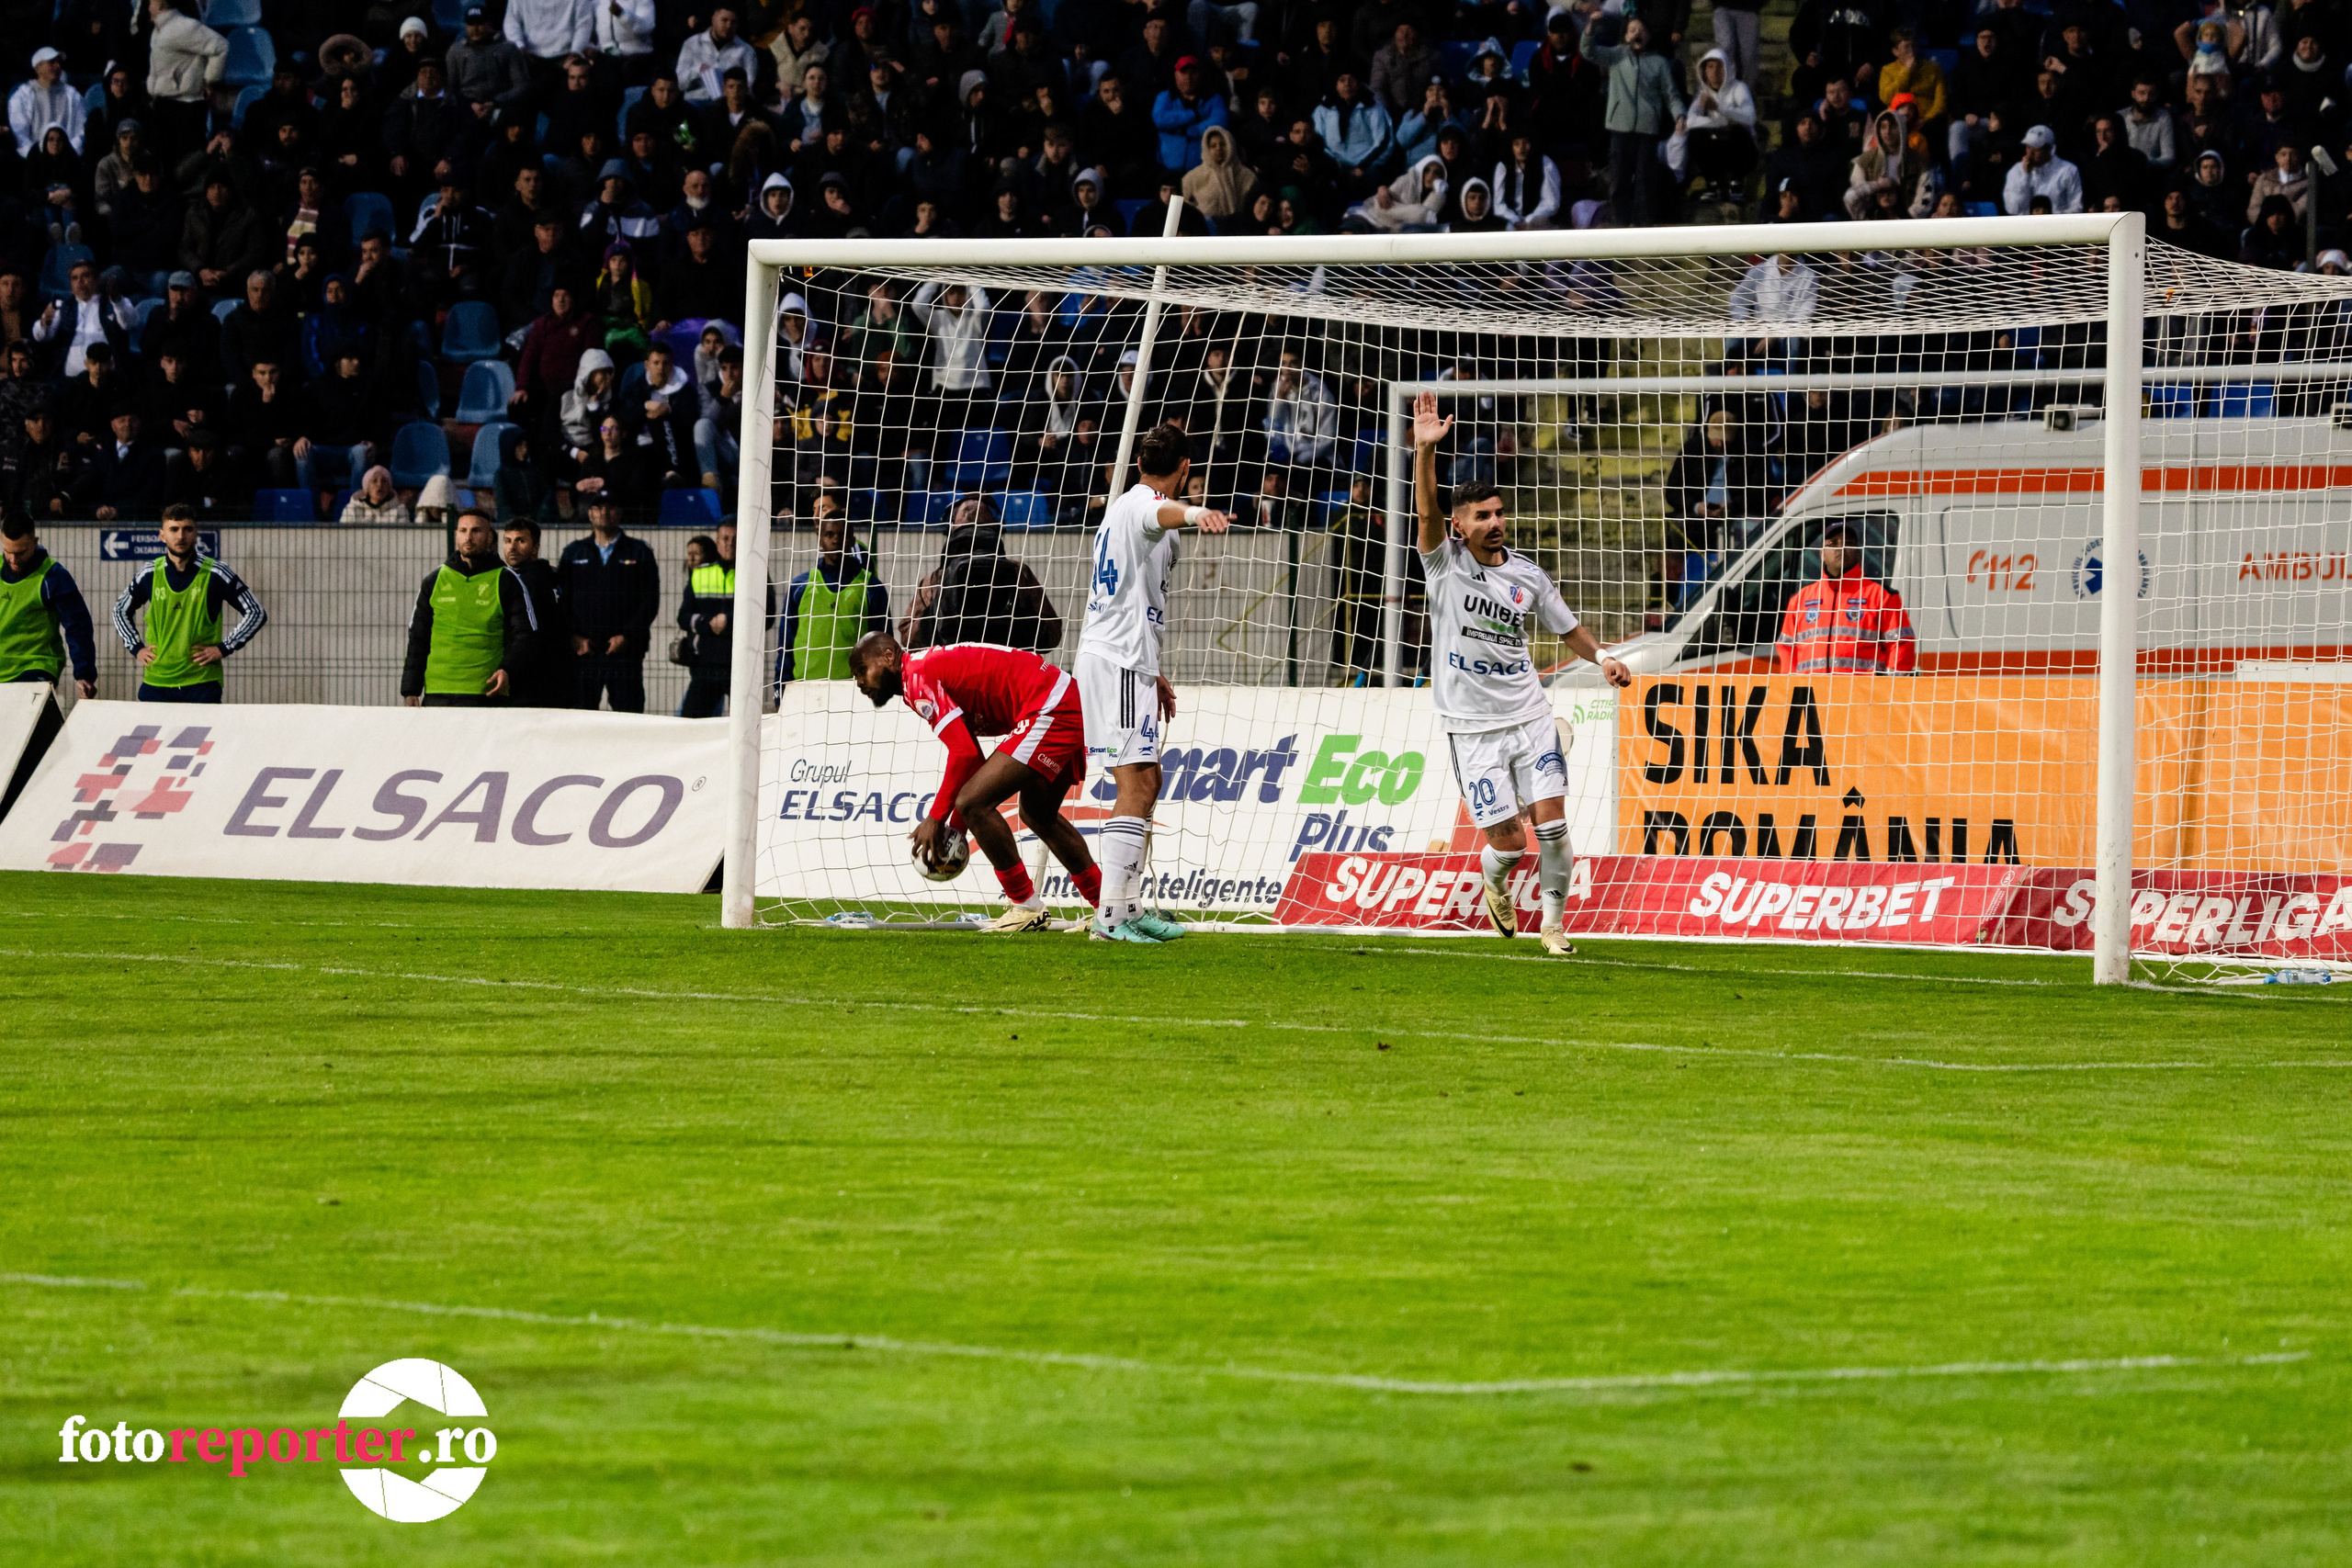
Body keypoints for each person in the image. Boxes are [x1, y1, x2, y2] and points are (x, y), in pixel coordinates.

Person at [1410, 389, 1631, 954]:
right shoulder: (1442, 566)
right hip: (1471, 726)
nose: (1495, 522)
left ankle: (1555, 928)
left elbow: (1569, 629)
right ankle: (1495, 878)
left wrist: (1603, 656)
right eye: (1482, 515)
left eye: (1500, 512)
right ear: (1459, 526)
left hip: (1530, 713)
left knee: (1553, 826)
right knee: (1508, 842)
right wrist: (1425, 452)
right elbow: (1425, 512)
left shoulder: (1529, 575)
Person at [1075, 423, 1231, 943]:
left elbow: (1129, 597)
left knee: (1149, 782)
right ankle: (1110, 918)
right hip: (1117, 662)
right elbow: (1158, 512)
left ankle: (1128, 906)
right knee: (1136, 784)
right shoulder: (1142, 506)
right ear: (1185, 469)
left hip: (1128, 659)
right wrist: (1194, 512)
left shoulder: (1128, 511)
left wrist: (1154, 669)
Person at [848, 630, 1103, 933]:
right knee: (1038, 814)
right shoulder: (921, 670)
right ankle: (1107, 906)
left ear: (889, 658)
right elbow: (973, 758)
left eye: (862, 670)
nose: (860, 682)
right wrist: (955, 828)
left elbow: (964, 753)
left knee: (972, 802)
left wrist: (937, 819)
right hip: (1062, 697)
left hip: (1049, 706)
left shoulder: (916, 678)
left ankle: (1025, 905)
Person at [112, 505, 267, 704]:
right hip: (157, 682)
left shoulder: (216, 572)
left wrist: (223, 648)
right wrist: (136, 647)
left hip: (201, 682)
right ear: (162, 535)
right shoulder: (149, 573)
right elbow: (119, 611)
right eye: (174, 529)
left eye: (187, 529)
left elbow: (256, 612)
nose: (180, 536)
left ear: (196, 534)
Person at [0, 511, 97, 818]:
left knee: (25, 749)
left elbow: (78, 625)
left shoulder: (52, 576)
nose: (14, 561)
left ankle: (26, 809)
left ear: (36, 542)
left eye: (22, 552)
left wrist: (84, 673)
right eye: (8, 552)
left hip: (35, 668)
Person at [401, 508, 532, 706]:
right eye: (463, 530)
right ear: (456, 535)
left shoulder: (506, 580)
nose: (468, 537)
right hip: (438, 692)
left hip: (485, 693)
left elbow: (524, 634)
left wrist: (508, 669)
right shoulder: (434, 580)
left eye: (476, 531)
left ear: (490, 537)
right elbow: (418, 636)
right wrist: (411, 689)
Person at [899, 497, 1062, 652]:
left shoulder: (936, 579)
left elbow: (909, 638)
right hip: (1006, 672)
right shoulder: (1019, 573)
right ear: (997, 532)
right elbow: (1051, 635)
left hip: (953, 674)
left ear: (951, 534)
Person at [1581, 13, 1685, 230]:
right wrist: (1590, 27)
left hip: (1647, 128)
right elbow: (1588, 51)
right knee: (1619, 178)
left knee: (1645, 180)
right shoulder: (1617, 56)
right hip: (1620, 126)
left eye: (1641, 29)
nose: (1636, 33)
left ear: (1648, 35)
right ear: (1626, 35)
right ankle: (1620, 223)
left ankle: (1643, 226)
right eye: (1632, 29)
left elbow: (1671, 94)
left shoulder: (1659, 63)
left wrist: (1679, 115)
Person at [557, 490, 658, 710]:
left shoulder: (640, 552)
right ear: (590, 514)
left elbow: (650, 601)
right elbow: (562, 601)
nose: (604, 512)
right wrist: (574, 637)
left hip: (625, 654)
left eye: (610, 507)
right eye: (598, 508)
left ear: (619, 512)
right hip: (584, 652)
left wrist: (627, 635)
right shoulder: (573, 553)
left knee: (629, 720)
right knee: (579, 718)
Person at [1774, 520, 1917, 674]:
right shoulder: (1800, 600)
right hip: (1813, 695)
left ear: (1857, 552)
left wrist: (1888, 688)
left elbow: (1901, 643)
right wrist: (1792, 689)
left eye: (1848, 543)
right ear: (1821, 553)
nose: (1841, 548)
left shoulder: (1881, 596)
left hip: (1863, 695)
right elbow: (1786, 646)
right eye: (1833, 543)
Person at [776, 500, 889, 687]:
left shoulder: (872, 587)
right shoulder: (800, 586)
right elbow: (785, 646)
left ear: (852, 540)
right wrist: (779, 687)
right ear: (820, 540)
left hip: (854, 692)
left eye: (842, 535)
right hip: (803, 690)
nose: (836, 540)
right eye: (829, 534)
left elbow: (883, 647)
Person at [499, 517, 570, 706]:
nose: (512, 547)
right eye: (508, 541)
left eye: (520, 541)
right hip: (558, 672)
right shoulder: (552, 575)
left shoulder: (520, 582)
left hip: (530, 674)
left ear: (535, 547)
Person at [2005, 124, 2083, 214]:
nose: (2030, 154)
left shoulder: (2068, 171)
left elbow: (2077, 208)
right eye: (2028, 147)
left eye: (2036, 149)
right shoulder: (2016, 172)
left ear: (2050, 149)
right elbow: (2013, 209)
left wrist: (2049, 216)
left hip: (2057, 225)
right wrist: (2026, 177)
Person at [341, 465, 413, 524]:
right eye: (374, 481)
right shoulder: (351, 510)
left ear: (389, 488)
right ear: (367, 487)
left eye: (384, 481)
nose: (379, 484)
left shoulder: (400, 511)